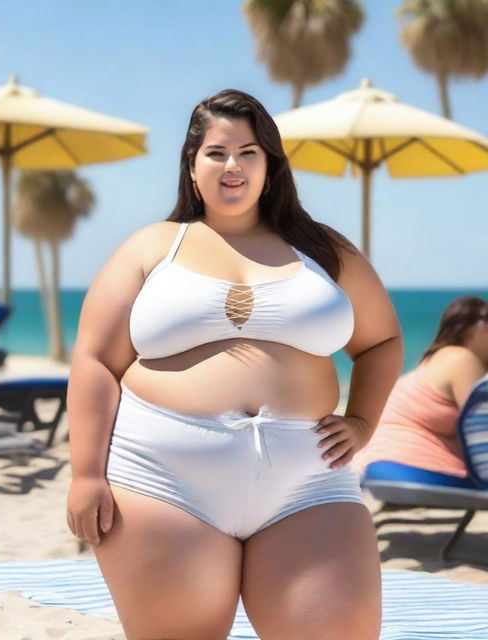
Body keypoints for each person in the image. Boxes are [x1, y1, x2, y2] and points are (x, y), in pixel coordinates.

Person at [66, 89, 404, 640]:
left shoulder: (322, 249)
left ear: (270, 166)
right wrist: (85, 474)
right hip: (163, 479)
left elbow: (382, 340)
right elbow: (96, 361)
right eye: (217, 152)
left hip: (309, 480)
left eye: (249, 152)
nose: (233, 166)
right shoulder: (153, 247)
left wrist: (363, 422)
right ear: (192, 166)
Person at [353, 296, 488, 478]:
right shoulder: (462, 359)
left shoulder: (434, 360)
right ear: (467, 327)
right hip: (415, 466)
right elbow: (480, 425)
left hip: (380, 466)